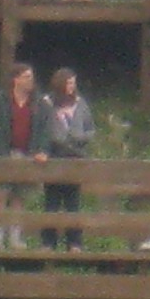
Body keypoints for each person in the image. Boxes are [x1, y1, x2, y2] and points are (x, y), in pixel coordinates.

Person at [0, 62, 51, 249]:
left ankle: (16, 238)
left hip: (27, 155)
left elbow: (45, 131)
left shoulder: (40, 103)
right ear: (15, 79)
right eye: (26, 77)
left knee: (19, 197)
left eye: (31, 77)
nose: (30, 81)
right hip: (3, 153)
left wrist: (42, 150)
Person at [39, 68, 95, 252]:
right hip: (54, 157)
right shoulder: (47, 103)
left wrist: (79, 137)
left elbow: (90, 129)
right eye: (69, 82)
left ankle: (74, 243)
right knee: (51, 202)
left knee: (73, 203)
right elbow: (43, 129)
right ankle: (48, 243)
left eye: (74, 82)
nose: (72, 86)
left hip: (75, 157)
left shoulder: (81, 103)